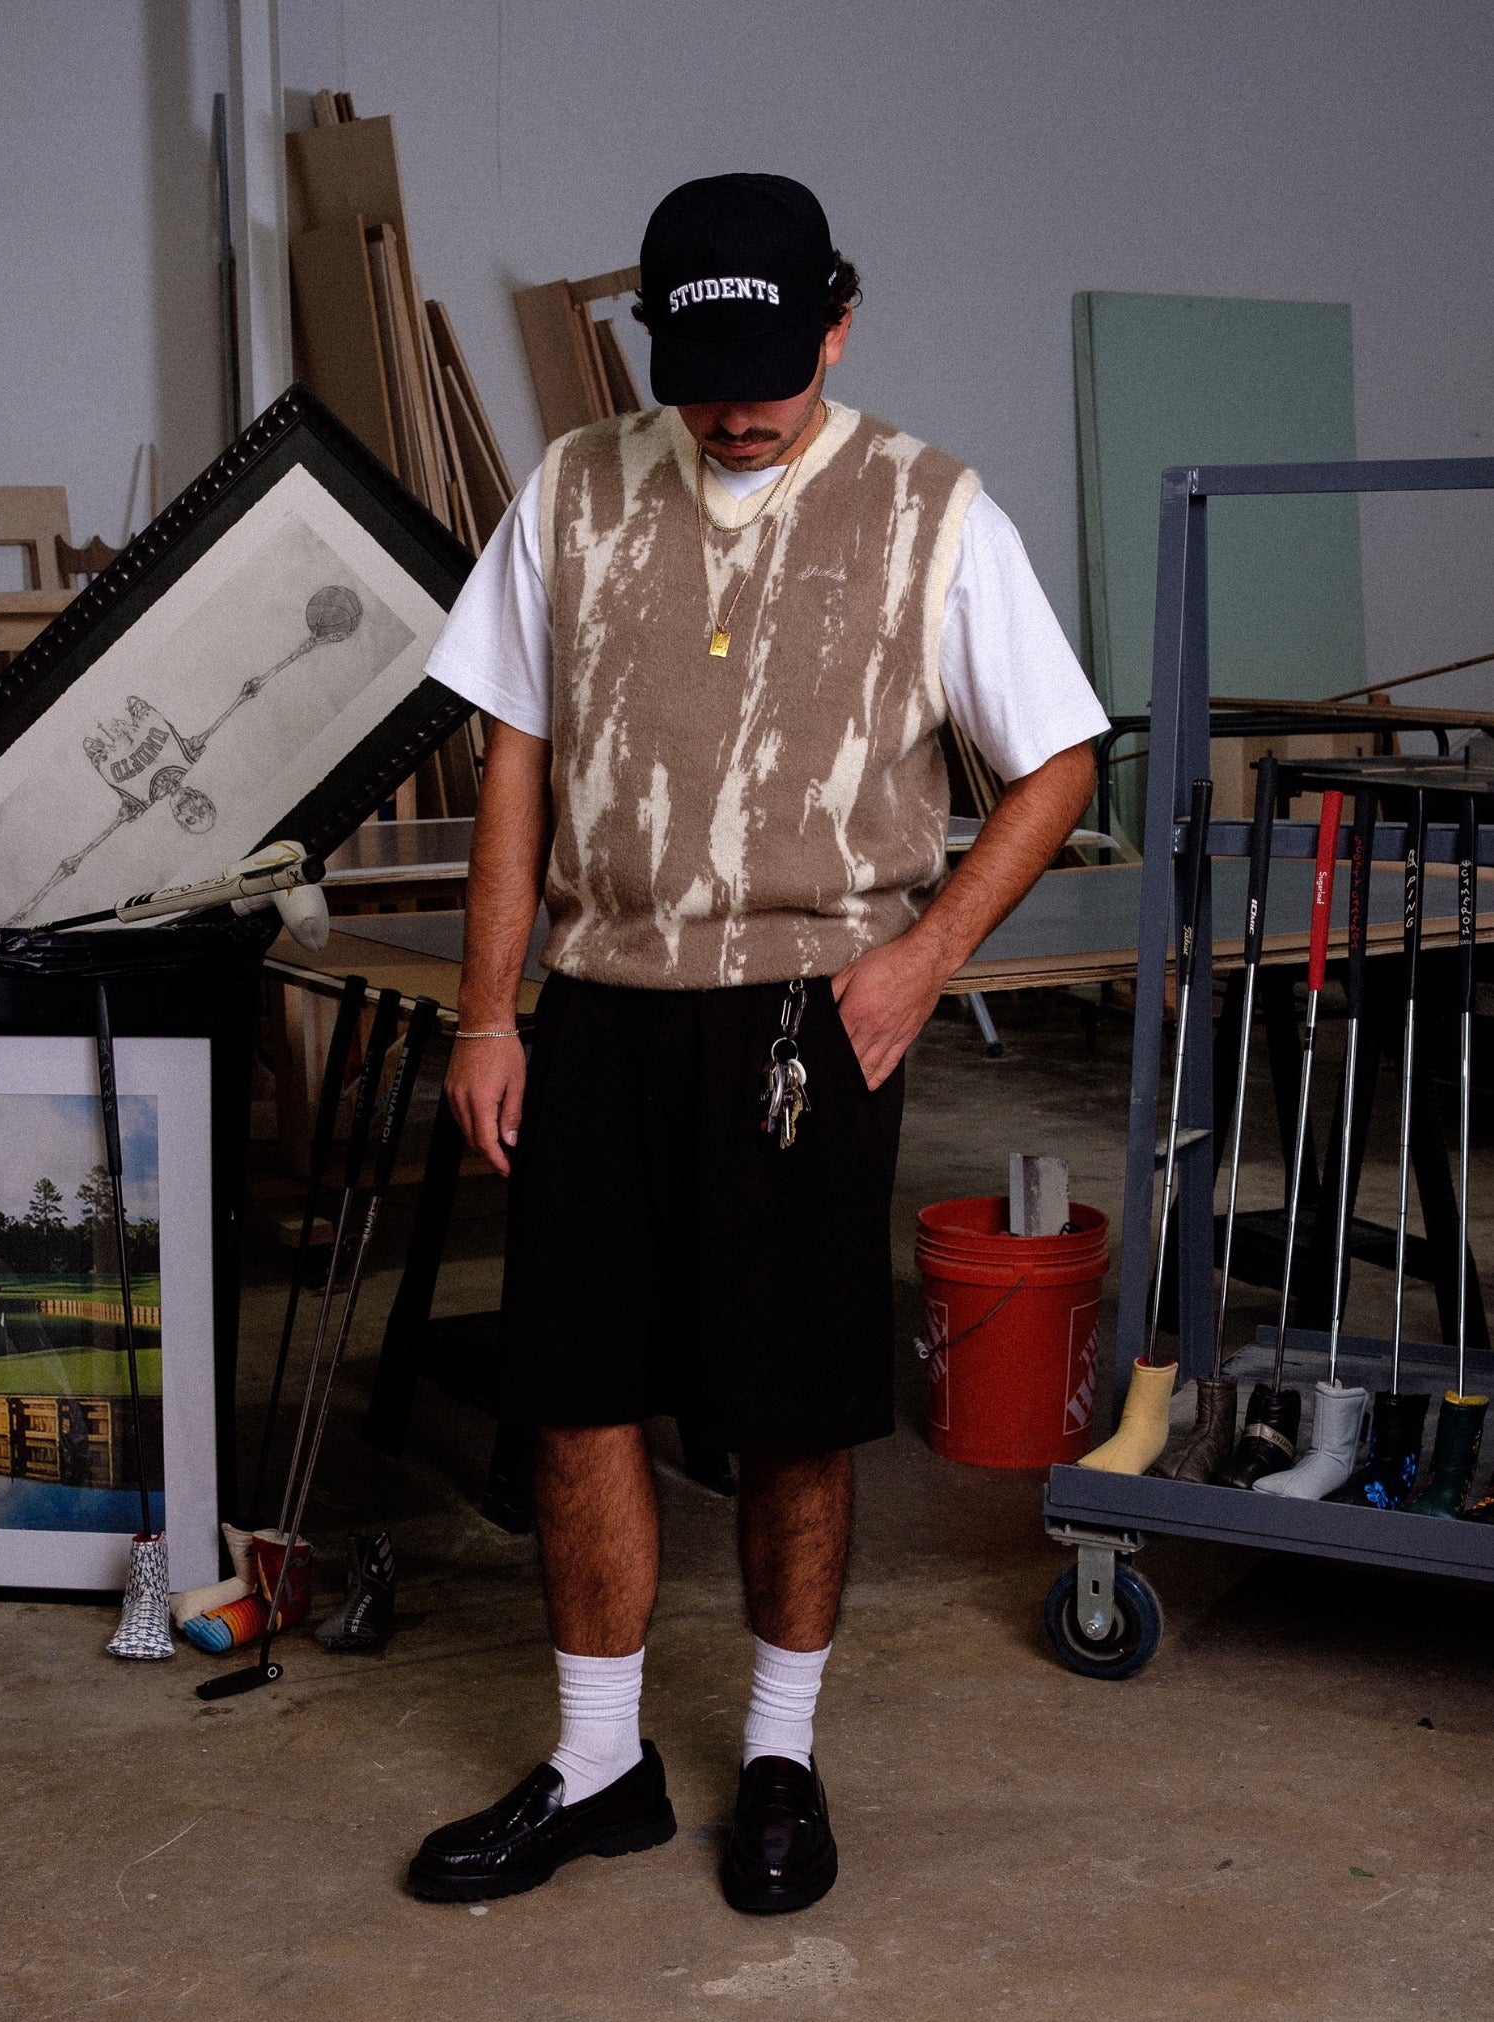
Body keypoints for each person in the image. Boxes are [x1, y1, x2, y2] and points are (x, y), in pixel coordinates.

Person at [404, 173, 1109, 1912]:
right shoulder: (571, 493)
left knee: (793, 1415)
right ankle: (597, 1768)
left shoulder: (933, 510)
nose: (735, 407)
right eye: (704, 368)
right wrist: (490, 1011)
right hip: (601, 1012)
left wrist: (923, 957)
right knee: (573, 1399)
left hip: (814, 1018)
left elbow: (1059, 759)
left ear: (838, 326)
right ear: (658, 343)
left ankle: (780, 1754)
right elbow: (510, 760)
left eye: (773, 370)